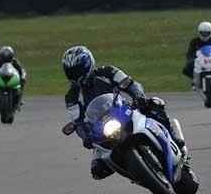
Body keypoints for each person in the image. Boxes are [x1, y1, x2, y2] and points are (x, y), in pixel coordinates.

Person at [62, 46, 189, 180]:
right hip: (100, 128)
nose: (76, 75)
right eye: (72, 72)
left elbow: (130, 84)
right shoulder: (72, 97)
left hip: (124, 110)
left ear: (88, 65)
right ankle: (136, 172)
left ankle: (175, 139)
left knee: (154, 105)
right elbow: (77, 120)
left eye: (78, 70)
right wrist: (85, 136)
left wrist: (138, 96)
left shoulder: (107, 72)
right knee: (97, 170)